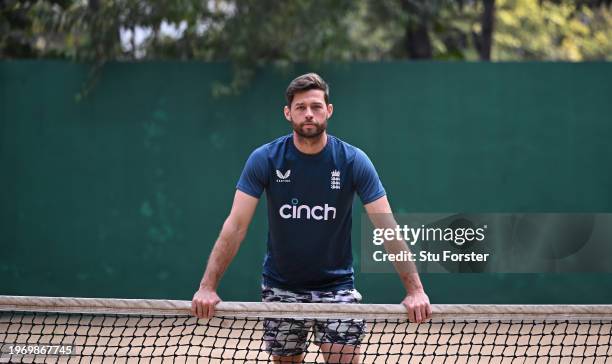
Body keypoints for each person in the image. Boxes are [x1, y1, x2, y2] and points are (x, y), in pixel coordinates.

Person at [191, 73, 431, 363]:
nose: (309, 113)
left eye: (316, 106)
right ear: (288, 113)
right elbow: (236, 226)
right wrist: (207, 287)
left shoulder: (353, 161)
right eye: (301, 107)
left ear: (328, 111)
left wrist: (415, 291)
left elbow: (386, 227)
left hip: (337, 289)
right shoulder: (264, 159)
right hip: (281, 289)